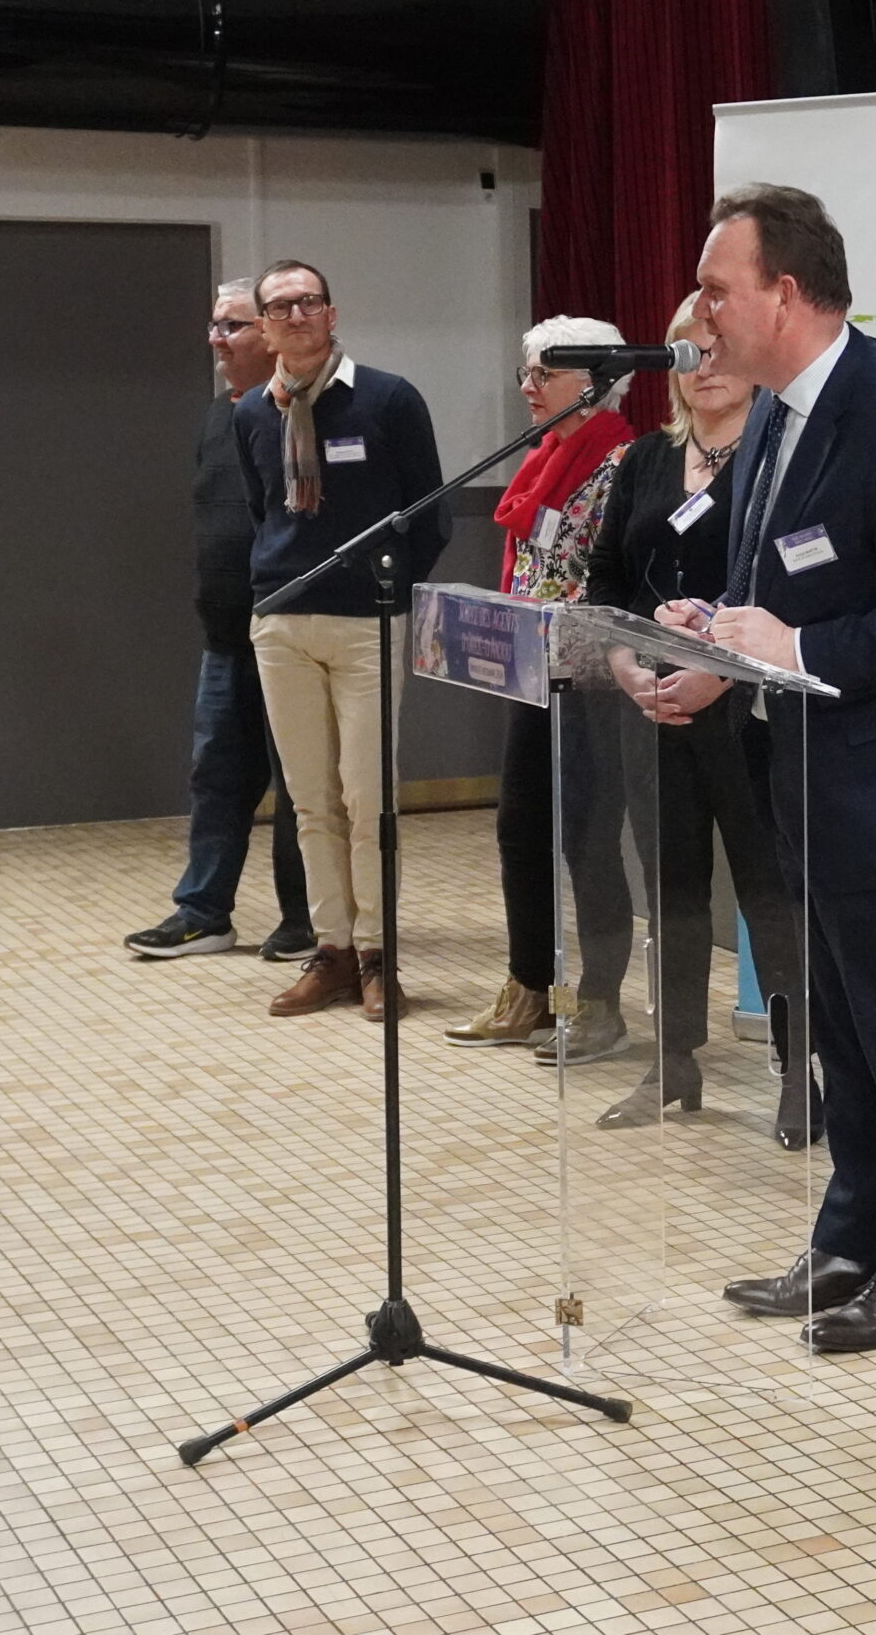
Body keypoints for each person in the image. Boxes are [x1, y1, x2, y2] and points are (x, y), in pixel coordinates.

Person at [665, 184, 876, 1354]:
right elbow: (779, 581)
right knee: (843, 1036)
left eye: (717, 291)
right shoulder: (775, 414)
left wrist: (797, 648)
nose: (701, 316)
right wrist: (712, 642)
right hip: (809, 777)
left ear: (786, 292)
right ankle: (846, 1241)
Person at [586, 292, 816, 1144]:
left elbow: (793, 582)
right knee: (671, 891)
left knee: (768, 894)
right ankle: (673, 1059)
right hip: (652, 709)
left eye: (718, 346)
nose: (704, 364)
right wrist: (624, 662)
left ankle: (797, 1070)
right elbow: (607, 578)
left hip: (747, 712)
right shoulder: (646, 459)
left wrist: (717, 672)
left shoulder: (781, 456)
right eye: (688, 349)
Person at [240, 260, 449, 1021]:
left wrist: (387, 591)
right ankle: (330, 951)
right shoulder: (251, 413)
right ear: (265, 329)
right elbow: (263, 511)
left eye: (309, 302)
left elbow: (430, 516)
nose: (296, 314)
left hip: (367, 623)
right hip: (282, 622)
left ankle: (376, 954)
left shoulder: (388, 399)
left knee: (369, 797)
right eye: (280, 306)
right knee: (309, 800)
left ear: (332, 315)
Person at [443, 318, 641, 1067]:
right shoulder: (544, 456)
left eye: (543, 373)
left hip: (597, 681)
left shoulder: (626, 462)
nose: (527, 387)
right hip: (533, 671)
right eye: (525, 372)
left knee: (589, 840)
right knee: (519, 827)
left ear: (595, 381)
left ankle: (600, 1004)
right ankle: (530, 988)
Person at [124, 280, 315, 965]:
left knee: (300, 785)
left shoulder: (301, 413)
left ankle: (306, 921)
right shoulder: (215, 418)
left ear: (269, 332)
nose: (216, 339)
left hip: (292, 633)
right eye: (213, 325)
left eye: (231, 326)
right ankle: (203, 913)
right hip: (226, 638)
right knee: (216, 777)